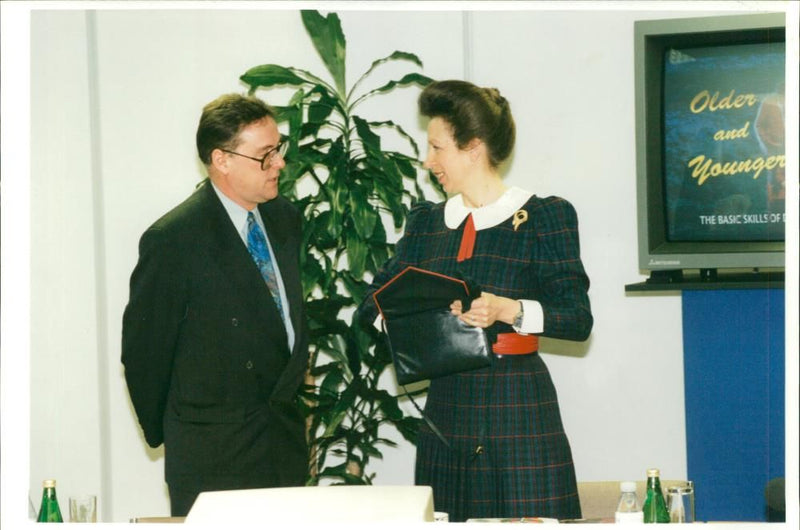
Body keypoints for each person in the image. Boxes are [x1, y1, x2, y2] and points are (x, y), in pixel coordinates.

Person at [359, 80, 593, 522]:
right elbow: (372, 305)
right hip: (446, 411)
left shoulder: (544, 215)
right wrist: (416, 321)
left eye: (436, 148)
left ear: (473, 148)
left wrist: (511, 310)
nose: (428, 162)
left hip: (519, 408)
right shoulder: (426, 222)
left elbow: (578, 319)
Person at [122, 93, 309, 516]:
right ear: (221, 160)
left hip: (282, 448)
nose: (279, 163)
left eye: (279, 149)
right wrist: (185, 431)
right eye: (265, 155)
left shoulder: (285, 220)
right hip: (214, 459)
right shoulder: (174, 240)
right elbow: (144, 354)